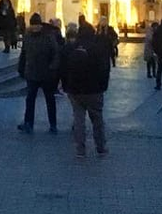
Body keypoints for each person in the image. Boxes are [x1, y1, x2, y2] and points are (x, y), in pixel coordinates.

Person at [60, 21, 111, 158]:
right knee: (97, 119)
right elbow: (104, 69)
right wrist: (103, 86)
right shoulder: (97, 48)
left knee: (78, 120)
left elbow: (63, 68)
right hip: (94, 90)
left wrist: (66, 86)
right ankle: (100, 147)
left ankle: (80, 150)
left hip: (75, 90)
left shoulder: (70, 48)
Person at [16, 13, 61, 133]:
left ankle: (53, 124)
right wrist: (21, 68)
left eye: (37, 25)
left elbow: (55, 53)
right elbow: (24, 53)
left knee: (49, 99)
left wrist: (52, 68)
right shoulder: (28, 36)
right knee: (30, 99)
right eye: (33, 25)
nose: (35, 28)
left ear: (40, 25)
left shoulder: (48, 36)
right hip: (32, 72)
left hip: (46, 73)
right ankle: (28, 123)